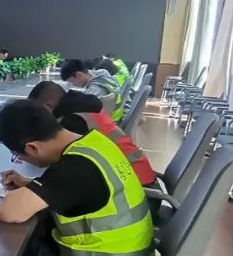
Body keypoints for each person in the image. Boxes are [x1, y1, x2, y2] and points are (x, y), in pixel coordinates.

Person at [0, 100, 156, 256]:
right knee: (33, 237)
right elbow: (77, 189)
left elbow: (8, 212)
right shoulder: (96, 143)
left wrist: (32, 190)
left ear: (33, 147)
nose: (21, 161)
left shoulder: (74, 169)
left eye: (19, 156)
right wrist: (31, 184)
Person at [27, 81, 158, 194]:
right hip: (140, 178)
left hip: (137, 192)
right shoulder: (84, 108)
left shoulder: (73, 121)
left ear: (48, 106)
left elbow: (62, 169)